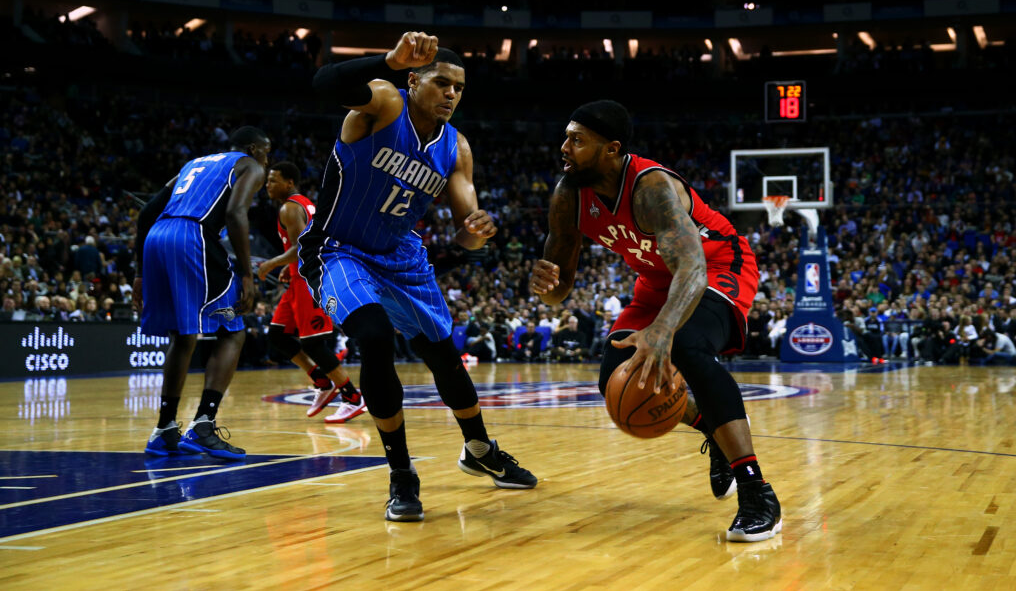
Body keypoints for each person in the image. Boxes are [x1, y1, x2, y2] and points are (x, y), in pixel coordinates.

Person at [301, 31, 536, 522]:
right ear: (414, 80)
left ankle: (479, 448)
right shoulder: (385, 103)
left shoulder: (457, 148)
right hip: (341, 248)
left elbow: (466, 230)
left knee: (445, 358)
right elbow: (324, 83)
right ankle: (402, 474)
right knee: (374, 335)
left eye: (460, 88)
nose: (451, 94)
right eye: (442, 83)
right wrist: (385, 59)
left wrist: (477, 232)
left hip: (402, 256)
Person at [530, 100, 781, 542]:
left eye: (577, 140)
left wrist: (663, 331)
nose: (564, 147)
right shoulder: (568, 195)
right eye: (566, 137)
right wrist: (545, 285)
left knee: (684, 344)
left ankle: (757, 491)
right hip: (656, 280)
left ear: (612, 149)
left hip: (718, 263)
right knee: (615, 374)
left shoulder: (651, 187)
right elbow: (559, 292)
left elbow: (693, 271)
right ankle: (712, 430)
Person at [136, 126, 270, 460]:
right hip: (192, 236)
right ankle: (204, 424)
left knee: (183, 336)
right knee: (233, 330)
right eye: (268, 152)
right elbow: (236, 213)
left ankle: (164, 429)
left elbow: (146, 212)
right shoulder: (249, 165)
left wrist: (139, 271)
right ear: (255, 149)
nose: (268, 161)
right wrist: (246, 274)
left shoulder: (195, 163)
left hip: (157, 236)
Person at [258, 161, 366, 424]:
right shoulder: (302, 204)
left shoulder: (289, 208)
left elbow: (301, 247)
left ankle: (352, 398)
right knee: (278, 335)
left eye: (273, 180)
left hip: (311, 281)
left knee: (313, 343)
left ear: (289, 183)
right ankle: (322, 381)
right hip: (297, 278)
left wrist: (273, 263)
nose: (267, 185)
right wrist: (288, 267)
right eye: (268, 180)